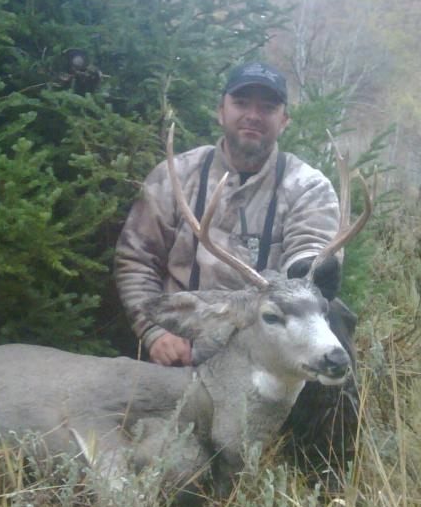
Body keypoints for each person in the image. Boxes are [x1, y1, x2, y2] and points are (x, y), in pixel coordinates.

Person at [114, 61, 358, 483]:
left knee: (331, 317)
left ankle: (324, 476)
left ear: (283, 119)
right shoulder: (176, 176)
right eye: (242, 102)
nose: (253, 114)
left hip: (261, 337)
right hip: (184, 332)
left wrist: (310, 268)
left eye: (267, 107)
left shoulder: (307, 185)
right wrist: (153, 333)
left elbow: (311, 247)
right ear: (221, 111)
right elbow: (136, 260)